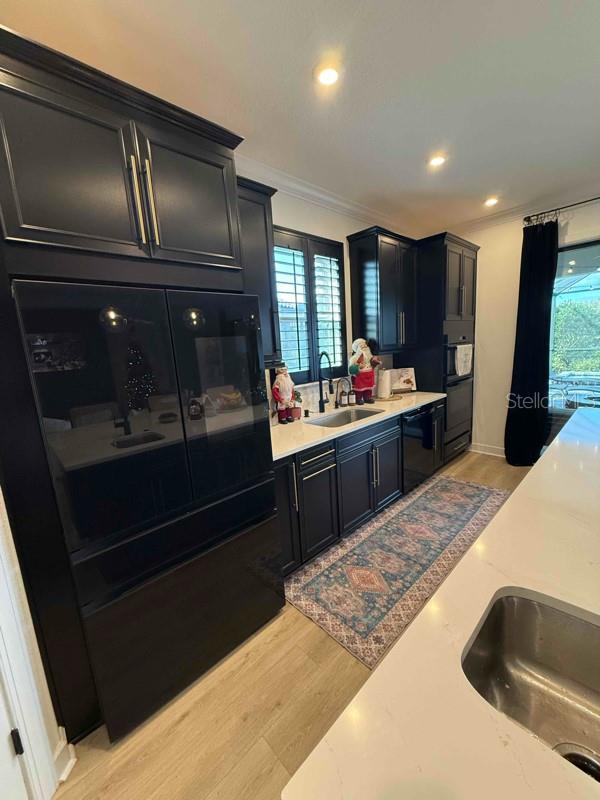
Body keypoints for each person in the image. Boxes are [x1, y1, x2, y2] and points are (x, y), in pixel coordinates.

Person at [348, 338, 381, 404]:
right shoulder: (353, 359)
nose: (365, 347)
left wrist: (375, 362)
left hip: (369, 376)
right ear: (358, 348)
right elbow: (351, 370)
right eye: (362, 346)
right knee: (359, 389)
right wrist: (358, 366)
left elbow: (373, 365)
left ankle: (367, 398)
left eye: (365, 345)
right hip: (360, 378)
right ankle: (358, 398)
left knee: (368, 388)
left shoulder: (369, 357)